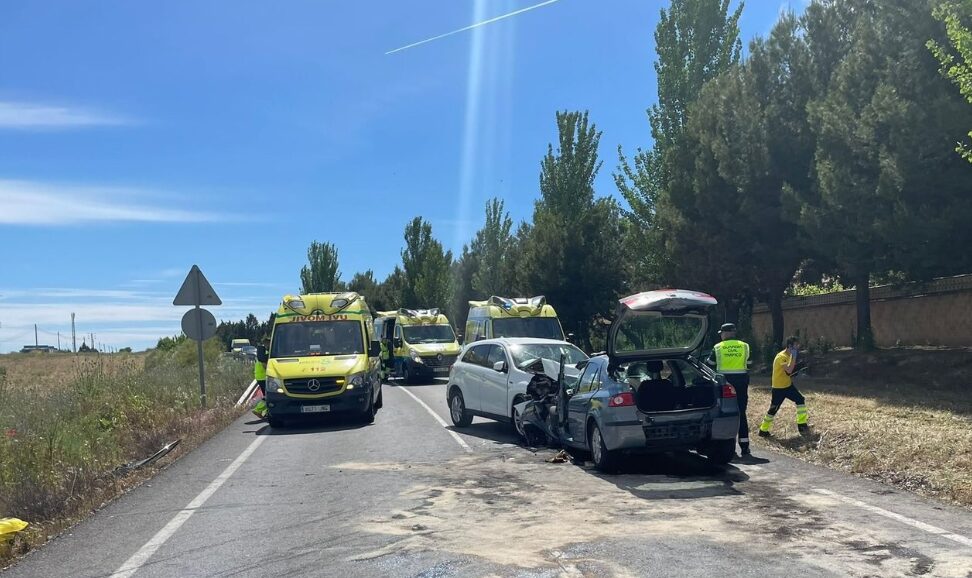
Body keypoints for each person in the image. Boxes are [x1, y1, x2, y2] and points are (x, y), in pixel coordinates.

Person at [712, 323, 752, 456]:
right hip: (742, 382)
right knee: (741, 413)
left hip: (725, 383)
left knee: (726, 414)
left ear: (726, 333)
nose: (721, 336)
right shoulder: (744, 346)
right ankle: (745, 447)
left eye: (722, 333)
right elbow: (750, 363)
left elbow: (710, 364)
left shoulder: (718, 347)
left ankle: (730, 447)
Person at [758, 336, 809, 437]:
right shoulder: (781, 356)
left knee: (800, 399)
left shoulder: (789, 355)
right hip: (778, 388)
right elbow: (789, 370)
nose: (798, 347)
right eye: (796, 345)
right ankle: (763, 430)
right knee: (773, 409)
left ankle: (802, 426)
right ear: (790, 346)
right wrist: (794, 358)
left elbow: (791, 371)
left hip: (788, 386)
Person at [252, 337, 270, 419]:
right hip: (263, 377)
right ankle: (258, 410)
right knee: (269, 395)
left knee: (267, 394)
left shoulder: (260, 352)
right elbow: (264, 365)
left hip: (260, 376)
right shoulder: (264, 352)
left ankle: (266, 412)